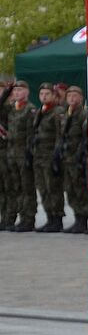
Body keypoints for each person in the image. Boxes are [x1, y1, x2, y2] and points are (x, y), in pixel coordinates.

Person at [32, 82, 66, 233]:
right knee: (43, 188)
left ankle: (57, 219)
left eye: (47, 94)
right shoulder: (40, 111)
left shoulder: (57, 111)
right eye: (41, 94)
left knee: (53, 188)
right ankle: (49, 217)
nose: (44, 97)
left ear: (53, 95)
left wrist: (56, 156)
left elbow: (60, 135)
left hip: (50, 156)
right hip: (38, 156)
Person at [4, 81, 38, 231]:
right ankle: (19, 217)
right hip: (12, 154)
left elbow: (32, 135)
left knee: (27, 188)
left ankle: (28, 219)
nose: (17, 93)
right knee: (16, 187)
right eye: (15, 90)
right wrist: (7, 91)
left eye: (20, 90)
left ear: (27, 92)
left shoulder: (29, 109)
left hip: (24, 154)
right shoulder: (11, 109)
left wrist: (29, 154)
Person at [60, 86, 88, 234]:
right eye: (69, 96)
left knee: (80, 190)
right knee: (70, 189)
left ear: (81, 97)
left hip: (78, 158)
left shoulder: (83, 114)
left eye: (75, 95)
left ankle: (83, 220)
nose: (72, 98)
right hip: (67, 158)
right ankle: (77, 217)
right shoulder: (67, 114)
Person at [0, 82, 13, 230]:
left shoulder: (8, 108)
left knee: (9, 186)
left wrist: (7, 91)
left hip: (7, 151)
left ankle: (9, 217)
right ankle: (4, 216)